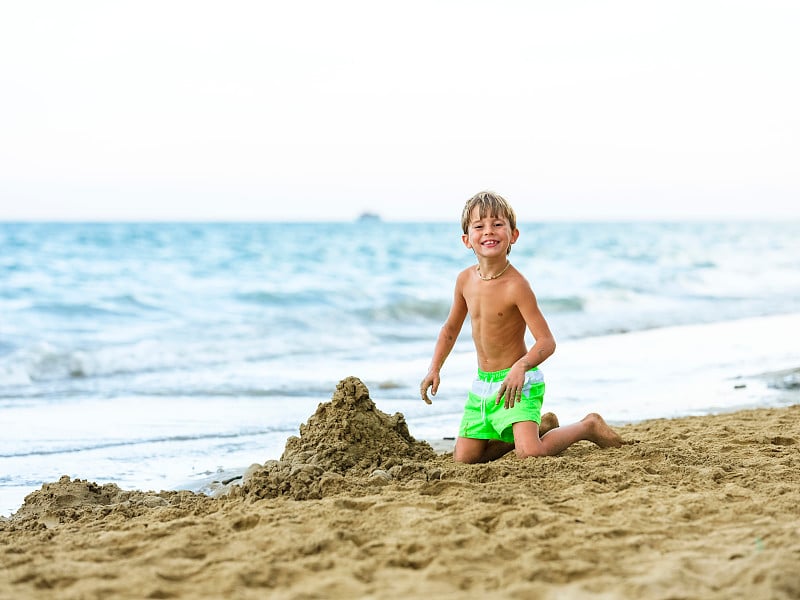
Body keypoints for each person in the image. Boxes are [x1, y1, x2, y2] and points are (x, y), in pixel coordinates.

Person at [420, 191, 622, 463]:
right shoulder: (464, 280)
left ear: (513, 235)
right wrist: (434, 368)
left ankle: (588, 425)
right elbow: (450, 330)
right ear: (467, 240)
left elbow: (546, 342)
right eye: (479, 226)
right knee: (464, 460)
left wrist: (521, 367)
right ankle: (537, 429)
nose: (488, 231)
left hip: (518, 383)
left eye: (498, 224)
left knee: (530, 453)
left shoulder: (517, 285)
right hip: (483, 385)